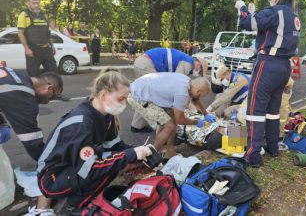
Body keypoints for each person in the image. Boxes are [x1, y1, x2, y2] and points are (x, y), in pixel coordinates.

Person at [36, 69, 153, 215]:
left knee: (116, 160)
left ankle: (82, 198)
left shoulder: (104, 115)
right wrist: (129, 155)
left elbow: (115, 146)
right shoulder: (82, 123)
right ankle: (73, 207)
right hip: (52, 176)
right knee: (111, 164)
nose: (124, 104)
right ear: (103, 95)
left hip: (71, 164)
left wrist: (141, 152)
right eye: (121, 99)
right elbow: (89, 168)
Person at [236, 0, 300, 167]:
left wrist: (242, 9)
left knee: (255, 110)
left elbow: (246, 23)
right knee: (273, 110)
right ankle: (272, 147)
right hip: (285, 66)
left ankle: (253, 155)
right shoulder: (294, 16)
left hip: (268, 64)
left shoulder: (275, 11)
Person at [0, 66, 63, 216]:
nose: (48, 102)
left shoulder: (17, 73)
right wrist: (54, 163)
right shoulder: (24, 96)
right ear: (48, 88)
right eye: (52, 97)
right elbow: (33, 144)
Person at [127, 73, 215, 159]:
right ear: (198, 91)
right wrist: (196, 122)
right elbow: (180, 120)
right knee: (169, 126)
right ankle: (150, 157)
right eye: (201, 95)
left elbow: (195, 98)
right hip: (138, 96)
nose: (200, 97)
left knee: (172, 119)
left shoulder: (187, 81)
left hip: (143, 88)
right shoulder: (182, 93)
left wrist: (205, 113)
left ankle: (170, 151)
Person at [131, 48, 206, 133]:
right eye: (200, 70)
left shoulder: (185, 59)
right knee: (158, 97)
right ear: (198, 62)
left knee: (145, 96)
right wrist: (185, 106)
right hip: (147, 64)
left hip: (141, 62)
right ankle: (163, 132)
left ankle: (137, 125)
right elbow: (178, 86)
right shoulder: (188, 63)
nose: (198, 72)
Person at [17, 0, 58, 77]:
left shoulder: (43, 15)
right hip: (33, 50)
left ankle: (52, 89)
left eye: (37, 3)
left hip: (46, 49)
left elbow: (47, 32)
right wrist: (27, 49)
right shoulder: (24, 15)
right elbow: (20, 33)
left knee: (54, 75)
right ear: (28, 3)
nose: (36, 5)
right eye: (33, 3)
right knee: (33, 77)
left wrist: (52, 45)